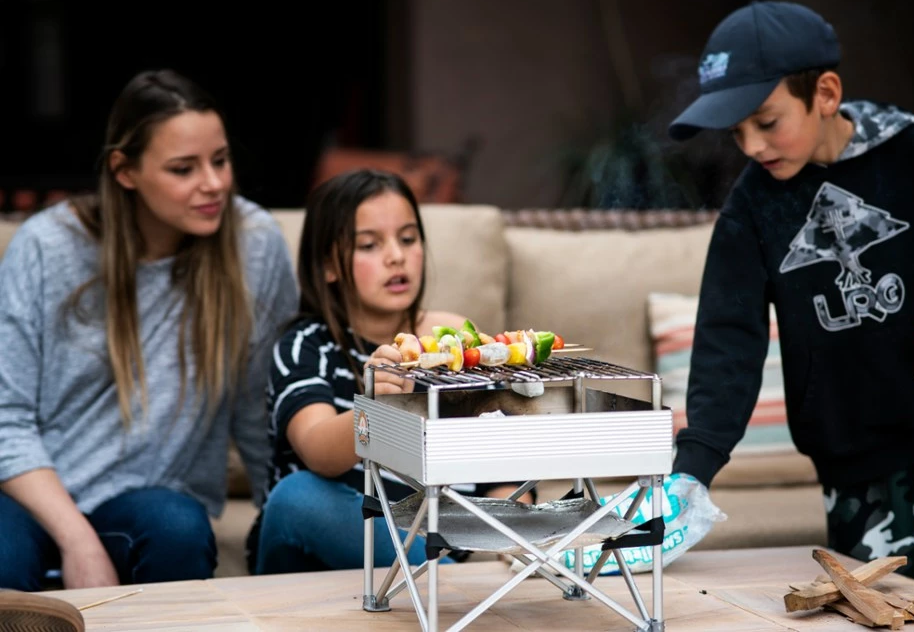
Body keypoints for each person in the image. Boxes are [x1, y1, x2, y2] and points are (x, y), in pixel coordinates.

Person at [667, 1, 914, 604]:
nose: (751, 146)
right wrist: (694, 467)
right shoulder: (751, 207)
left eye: (766, 122)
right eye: (737, 131)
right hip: (851, 455)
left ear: (825, 93)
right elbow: (728, 338)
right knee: (873, 609)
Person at [0, 69, 298, 591]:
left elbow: (261, 408)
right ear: (125, 170)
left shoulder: (254, 244)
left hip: (149, 499)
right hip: (32, 495)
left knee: (178, 531)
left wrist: (287, 528)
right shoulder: (47, 246)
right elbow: (7, 418)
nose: (214, 183)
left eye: (220, 160)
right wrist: (79, 542)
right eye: (184, 168)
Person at [251, 169, 530, 574]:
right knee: (297, 497)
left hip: (442, 545)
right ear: (328, 265)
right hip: (328, 544)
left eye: (408, 239)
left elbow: (502, 468)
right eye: (369, 244)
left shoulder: (454, 342)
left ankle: (438, 582)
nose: (396, 256)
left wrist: (513, 541)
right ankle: (436, 585)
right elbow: (317, 452)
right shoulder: (305, 346)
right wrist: (374, 409)